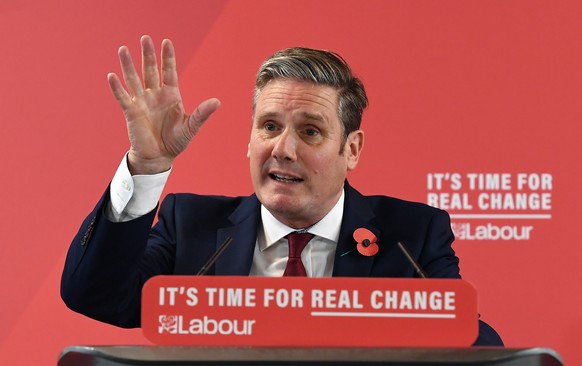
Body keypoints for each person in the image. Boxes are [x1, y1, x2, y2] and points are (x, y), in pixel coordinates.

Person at [61, 35, 502, 346]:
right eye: (269, 127)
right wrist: (147, 166)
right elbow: (94, 296)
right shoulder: (190, 226)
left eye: (310, 131)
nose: (283, 149)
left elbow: (475, 341)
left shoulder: (411, 235)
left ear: (351, 149)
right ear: (250, 138)